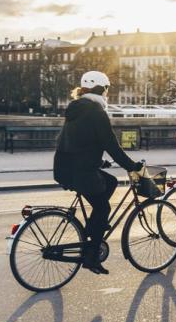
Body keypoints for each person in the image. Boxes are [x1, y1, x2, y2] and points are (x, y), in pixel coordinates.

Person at [53, 71, 142, 275]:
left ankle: (94, 227)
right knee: (103, 208)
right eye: (107, 89)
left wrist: (99, 161)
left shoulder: (76, 108)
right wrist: (131, 166)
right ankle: (91, 254)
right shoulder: (95, 110)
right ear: (101, 89)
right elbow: (111, 144)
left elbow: (79, 140)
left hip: (65, 168)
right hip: (81, 171)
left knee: (109, 182)